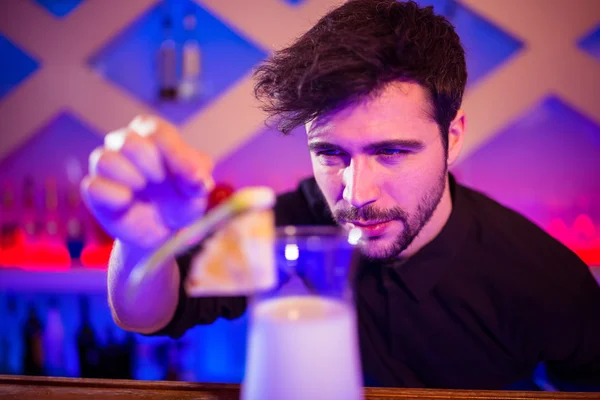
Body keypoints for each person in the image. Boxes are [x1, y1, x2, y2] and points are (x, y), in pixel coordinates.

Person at [81, 0, 600, 390]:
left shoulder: (537, 272)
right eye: (331, 153)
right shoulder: (291, 225)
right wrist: (142, 240)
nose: (357, 192)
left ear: (453, 137)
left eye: (392, 152)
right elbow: (145, 313)